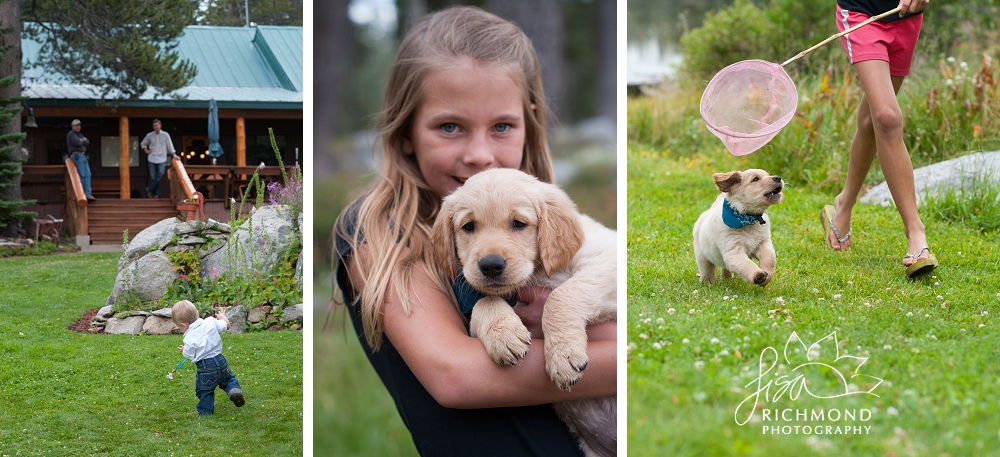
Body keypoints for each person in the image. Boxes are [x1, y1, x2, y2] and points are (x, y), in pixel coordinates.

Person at [332, 6, 616, 456]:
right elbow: (457, 376)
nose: (480, 154)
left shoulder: (550, 218)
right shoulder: (377, 231)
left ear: (529, 123)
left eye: (502, 126)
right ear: (406, 132)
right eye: (450, 127)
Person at [822, 0, 937, 278]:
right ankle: (915, 232)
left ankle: (844, 202)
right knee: (886, 117)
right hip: (862, 12)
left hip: (907, 16)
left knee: (869, 120)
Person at [172, 300, 245, 415]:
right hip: (221, 361)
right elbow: (227, 325)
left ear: (183, 324)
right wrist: (222, 316)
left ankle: (205, 413)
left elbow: (189, 355)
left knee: (205, 390)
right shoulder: (210, 321)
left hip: (206, 368)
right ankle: (234, 391)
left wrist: (185, 350)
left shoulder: (189, 337)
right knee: (228, 379)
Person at [140, 119, 178, 198]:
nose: (156, 127)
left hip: (161, 158)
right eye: (154, 126)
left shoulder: (165, 135)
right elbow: (143, 143)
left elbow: (170, 145)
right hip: (152, 157)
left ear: (160, 125)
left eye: (157, 125)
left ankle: (150, 189)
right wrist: (146, 150)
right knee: (153, 177)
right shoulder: (149, 135)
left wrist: (174, 154)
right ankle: (156, 194)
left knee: (161, 173)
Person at [66, 119, 95, 201]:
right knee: (81, 175)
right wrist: (82, 140)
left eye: (79, 125)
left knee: (88, 174)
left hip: (83, 155)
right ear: (72, 126)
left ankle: (88, 193)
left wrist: (82, 140)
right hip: (76, 156)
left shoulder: (79, 134)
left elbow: (87, 142)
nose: (78, 127)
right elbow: (77, 143)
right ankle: (81, 194)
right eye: (76, 125)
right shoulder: (71, 134)